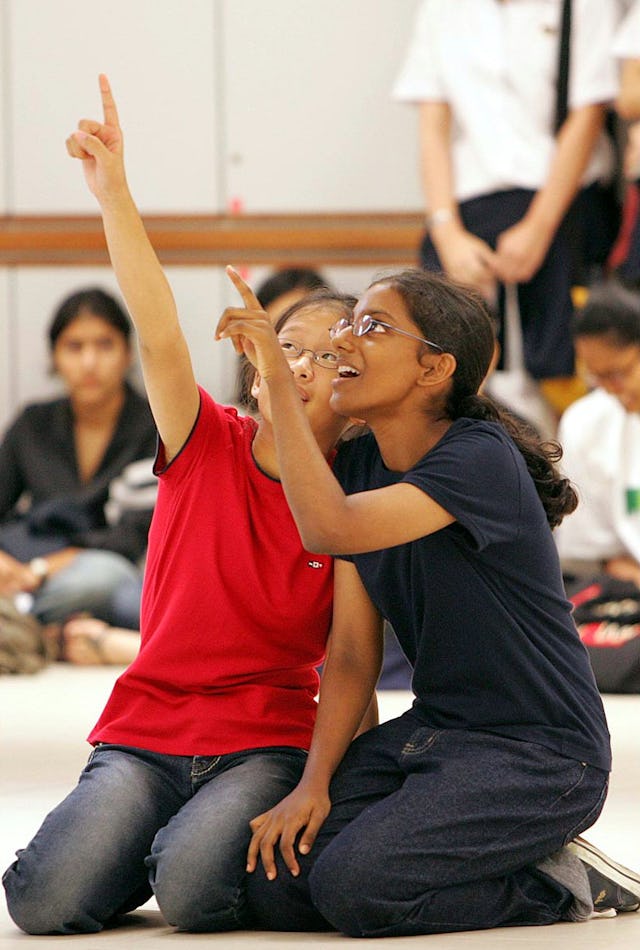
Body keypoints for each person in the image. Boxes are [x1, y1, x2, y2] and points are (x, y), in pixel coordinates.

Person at [2, 75, 373, 936]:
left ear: (352, 394)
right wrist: (115, 194)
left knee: (195, 890)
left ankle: (171, 850)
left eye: (326, 358)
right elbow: (158, 325)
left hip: (264, 744)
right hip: (147, 732)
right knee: (41, 901)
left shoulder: (353, 501)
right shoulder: (205, 438)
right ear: (255, 361)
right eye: (286, 346)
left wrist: (327, 782)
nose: (300, 365)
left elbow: (354, 661)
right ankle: (142, 842)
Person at [215, 267, 640, 936]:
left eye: (374, 327)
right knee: (273, 883)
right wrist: (314, 783)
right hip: (437, 732)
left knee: (355, 889)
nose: (346, 340)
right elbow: (351, 652)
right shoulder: (360, 465)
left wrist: (275, 371)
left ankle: (559, 881)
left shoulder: (479, 457)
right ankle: (505, 857)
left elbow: (329, 528)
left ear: (434, 369)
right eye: (350, 323)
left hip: (542, 754)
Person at [392, 0, 619, 401]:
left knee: (565, 372)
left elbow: (588, 115)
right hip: (468, 211)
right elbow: (433, 129)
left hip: (564, 208)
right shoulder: (442, 9)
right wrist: (447, 232)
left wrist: (539, 227)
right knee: (449, 370)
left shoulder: (586, 7)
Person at [0, 287, 156, 633]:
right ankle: (43, 628)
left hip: (101, 566)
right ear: (54, 356)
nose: (89, 362)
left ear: (128, 353)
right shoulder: (33, 423)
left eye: (104, 345)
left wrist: (43, 569)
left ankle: (22, 622)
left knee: (106, 581)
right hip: (23, 559)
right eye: (74, 347)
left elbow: (136, 533)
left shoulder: (154, 427)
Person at [555, 281, 640, 690]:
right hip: (619, 588)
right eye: (597, 375)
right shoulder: (584, 421)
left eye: (618, 373)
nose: (609, 386)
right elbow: (584, 547)